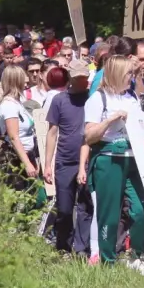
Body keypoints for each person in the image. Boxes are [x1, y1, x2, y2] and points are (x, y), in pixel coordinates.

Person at [84, 55, 144, 275]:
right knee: (109, 213)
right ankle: (107, 262)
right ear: (115, 74)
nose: (131, 78)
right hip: (109, 158)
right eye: (128, 74)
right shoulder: (98, 98)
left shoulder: (131, 97)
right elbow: (89, 136)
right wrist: (110, 120)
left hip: (132, 159)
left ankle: (136, 255)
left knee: (141, 210)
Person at [46, 60, 94, 256]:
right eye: (79, 78)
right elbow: (52, 132)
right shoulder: (59, 100)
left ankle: (81, 247)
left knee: (85, 206)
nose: (84, 81)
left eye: (85, 77)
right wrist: (47, 164)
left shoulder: (92, 98)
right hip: (65, 161)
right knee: (64, 209)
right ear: (71, 79)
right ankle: (63, 246)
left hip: (87, 161)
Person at [0, 65, 39, 188]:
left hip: (26, 154)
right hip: (16, 159)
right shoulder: (9, 106)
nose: (26, 80)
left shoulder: (17, 103)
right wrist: (27, 164)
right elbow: (14, 137)